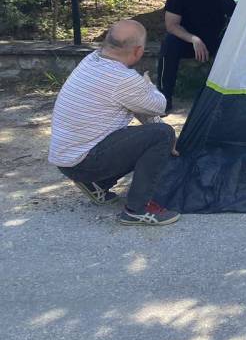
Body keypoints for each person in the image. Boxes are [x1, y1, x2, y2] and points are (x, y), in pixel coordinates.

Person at [48, 20, 181, 226]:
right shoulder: (124, 79)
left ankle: (97, 184)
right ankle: (137, 209)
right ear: (138, 51)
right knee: (162, 134)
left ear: (107, 42)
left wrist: (153, 122)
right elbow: (159, 106)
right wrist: (147, 84)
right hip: (84, 162)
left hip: (68, 160)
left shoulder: (91, 59)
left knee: (152, 134)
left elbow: (139, 106)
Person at [158, 0, 237, 111]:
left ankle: (229, 97)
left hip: (214, 42)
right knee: (169, 43)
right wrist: (194, 39)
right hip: (188, 42)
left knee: (231, 41)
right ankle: (163, 98)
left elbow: (239, 18)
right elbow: (171, 25)